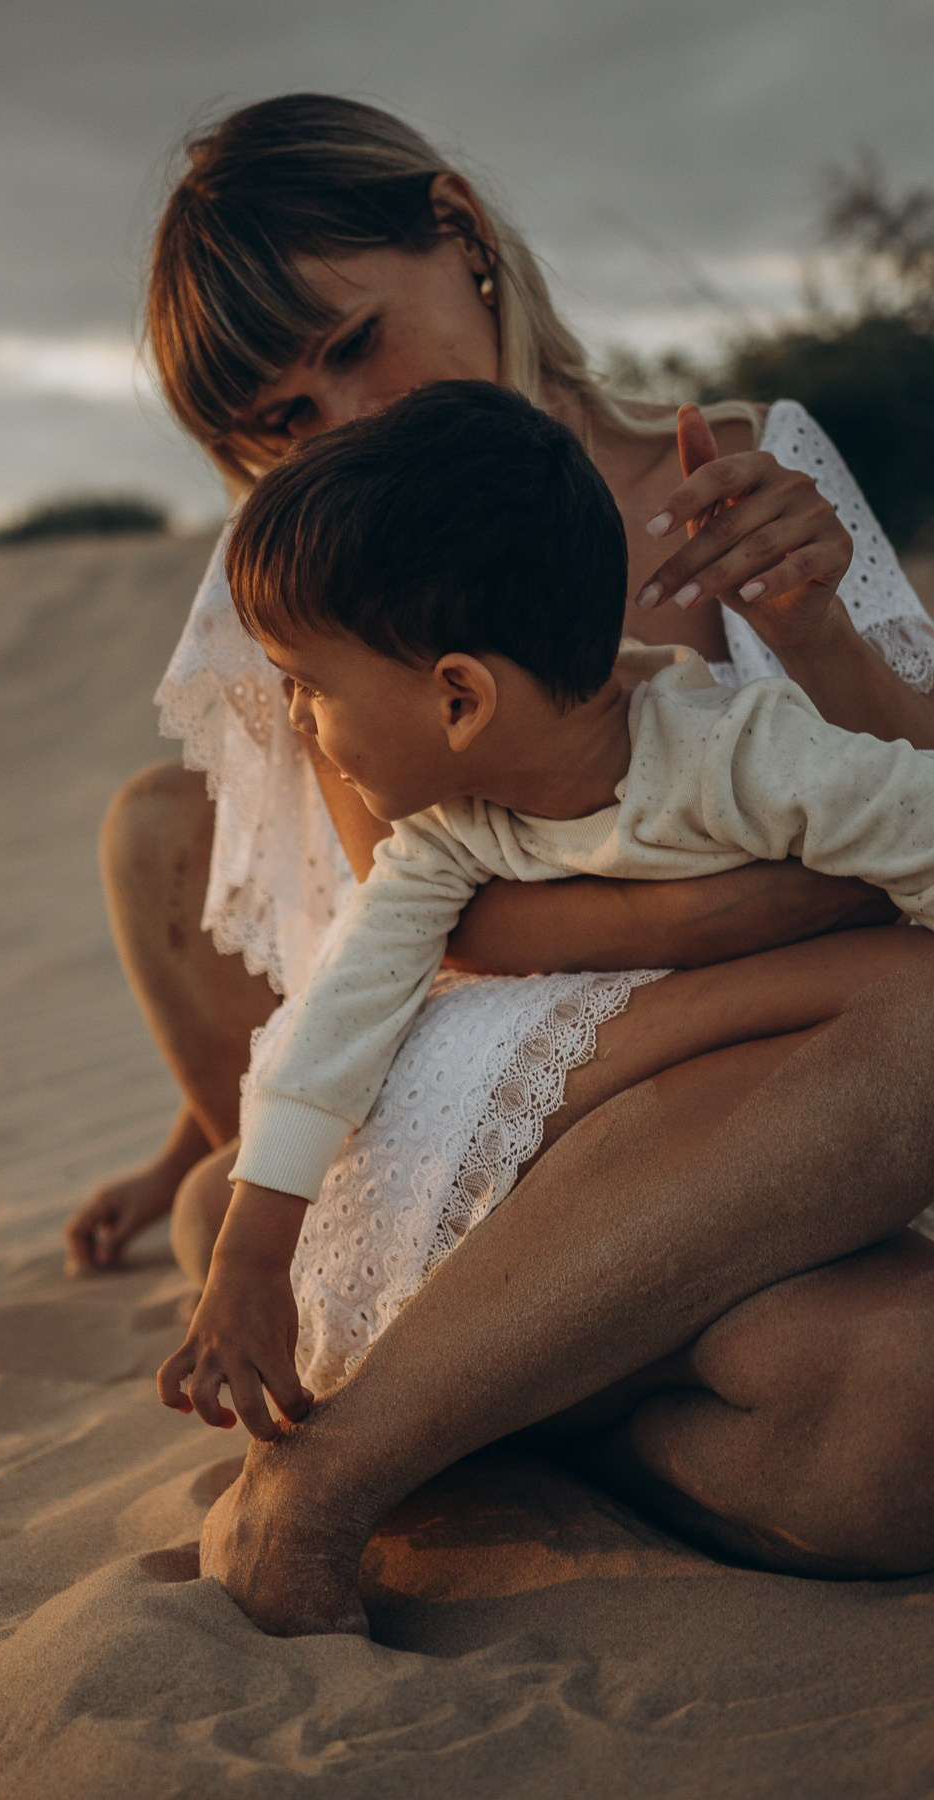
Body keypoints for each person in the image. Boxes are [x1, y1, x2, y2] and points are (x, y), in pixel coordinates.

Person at [65, 94, 934, 1627]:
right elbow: (454, 920)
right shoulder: (313, 552)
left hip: (780, 1100)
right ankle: (332, 1481)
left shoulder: (742, 459)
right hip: (520, 1036)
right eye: (280, 421)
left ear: (459, 237)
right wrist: (813, 905)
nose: (342, 428)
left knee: (907, 1416)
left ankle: (525, 1401)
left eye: (350, 346)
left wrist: (815, 627)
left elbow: (905, 770)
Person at [157, 379, 934, 1443]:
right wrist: (254, 1251)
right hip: (629, 1168)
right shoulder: (454, 834)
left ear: (460, 699)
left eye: (307, 686)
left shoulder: (742, 759)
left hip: (784, 1139)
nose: (297, 719)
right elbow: (343, 1009)